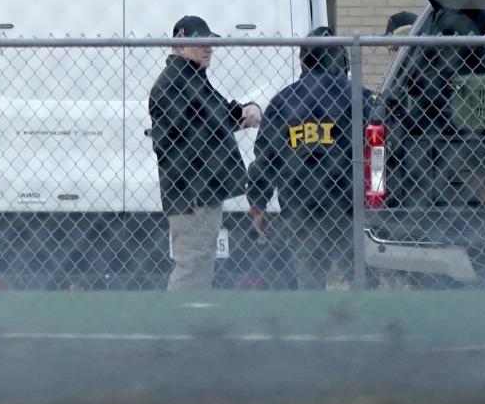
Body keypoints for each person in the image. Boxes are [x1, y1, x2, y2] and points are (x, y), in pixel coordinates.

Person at [247, 27, 367, 290]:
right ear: (343, 60)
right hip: (350, 208)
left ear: (303, 61)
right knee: (355, 282)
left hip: (300, 210)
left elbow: (266, 158)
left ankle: (314, 326)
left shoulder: (283, 102)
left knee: (309, 284)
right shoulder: (361, 98)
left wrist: (258, 203)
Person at [149, 15, 261, 291]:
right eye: (202, 42)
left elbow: (215, 114)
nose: (209, 48)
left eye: (210, 42)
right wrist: (239, 114)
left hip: (202, 190)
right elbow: (206, 122)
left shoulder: (192, 77)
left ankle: (192, 325)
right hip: (191, 193)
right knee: (192, 267)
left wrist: (241, 112)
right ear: (180, 44)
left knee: (201, 265)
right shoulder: (175, 82)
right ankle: (180, 328)